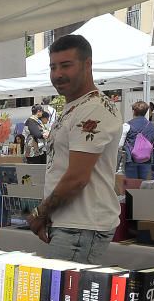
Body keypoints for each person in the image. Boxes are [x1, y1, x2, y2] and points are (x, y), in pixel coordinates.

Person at [27, 34, 122, 264]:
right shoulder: (76, 107)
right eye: (53, 67)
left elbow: (77, 178)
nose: (58, 74)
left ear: (87, 64)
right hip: (72, 223)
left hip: (82, 225)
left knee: (60, 299)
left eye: (66, 65)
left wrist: (41, 213)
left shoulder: (92, 108)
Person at [122, 101, 154, 180]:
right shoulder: (152, 125)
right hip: (146, 158)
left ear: (133, 111)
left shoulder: (127, 125)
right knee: (143, 183)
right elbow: (153, 140)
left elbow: (120, 144)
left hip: (131, 158)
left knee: (131, 183)